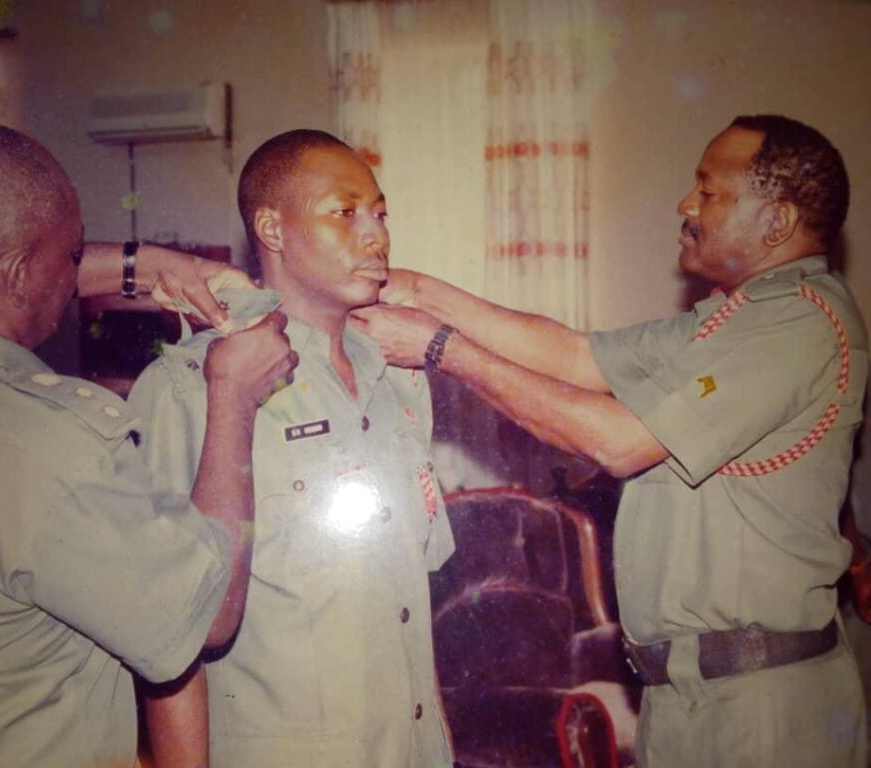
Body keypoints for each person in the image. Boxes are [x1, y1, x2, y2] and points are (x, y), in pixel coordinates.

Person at [351, 114, 869, 767]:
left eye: (708, 191)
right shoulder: (731, 321)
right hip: (689, 699)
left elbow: (620, 442)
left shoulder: (796, 323)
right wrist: (417, 290)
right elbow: (573, 355)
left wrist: (439, 348)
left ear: (777, 221)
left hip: (759, 708)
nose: (686, 205)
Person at [0, 121, 297, 767]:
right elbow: (205, 615)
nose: (79, 273)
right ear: (19, 273)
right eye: (74, 255)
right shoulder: (46, 451)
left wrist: (152, 265)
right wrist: (233, 397)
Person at [129, 129, 455, 767]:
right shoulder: (193, 385)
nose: (376, 237)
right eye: (346, 212)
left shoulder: (397, 380)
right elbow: (170, 638)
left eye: (381, 214)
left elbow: (409, 610)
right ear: (272, 229)